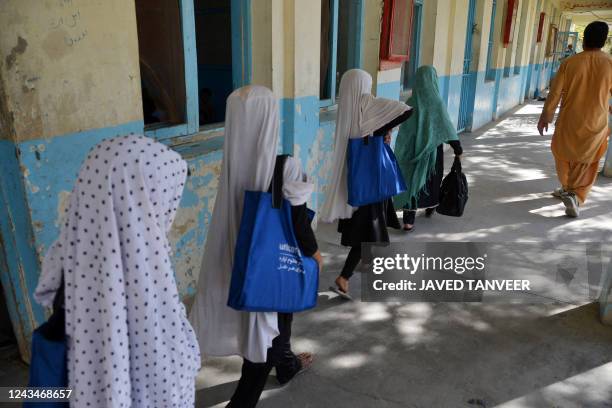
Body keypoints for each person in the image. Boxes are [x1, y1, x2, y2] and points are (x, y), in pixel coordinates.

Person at [34, 135, 201, 407]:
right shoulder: (147, 269)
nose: (168, 210)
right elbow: (166, 375)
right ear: (140, 198)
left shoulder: (71, 248)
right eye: (166, 197)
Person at [189, 85, 322, 408]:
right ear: (269, 120)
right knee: (270, 332)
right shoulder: (284, 167)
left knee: (266, 329)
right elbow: (299, 222)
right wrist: (315, 254)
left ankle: (288, 365)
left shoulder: (232, 165)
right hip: (271, 265)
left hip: (236, 261)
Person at [320, 69, 412, 298]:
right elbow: (406, 110)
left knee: (369, 228)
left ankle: (366, 260)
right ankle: (344, 277)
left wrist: (382, 130)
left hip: (358, 183)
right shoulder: (367, 106)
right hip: (373, 181)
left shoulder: (347, 112)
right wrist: (385, 128)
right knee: (368, 233)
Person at [537, 21, 612, 218]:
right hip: (596, 121)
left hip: (570, 119)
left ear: (584, 39)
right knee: (588, 161)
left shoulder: (569, 63)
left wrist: (546, 116)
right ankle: (576, 195)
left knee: (562, 154)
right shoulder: (610, 63)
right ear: (604, 41)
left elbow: (554, 93)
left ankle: (568, 188)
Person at [394, 66, 463, 231]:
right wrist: (457, 148)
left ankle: (408, 221)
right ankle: (431, 206)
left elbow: (404, 130)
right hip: (431, 152)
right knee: (431, 181)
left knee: (411, 182)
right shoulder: (436, 102)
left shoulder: (410, 102)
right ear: (433, 80)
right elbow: (446, 127)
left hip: (410, 151)